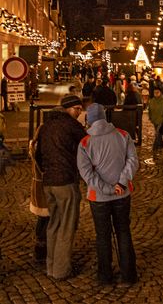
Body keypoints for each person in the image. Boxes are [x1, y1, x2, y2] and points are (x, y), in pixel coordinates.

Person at [77, 104, 138, 285]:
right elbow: (133, 161)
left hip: (99, 197)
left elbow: (87, 174)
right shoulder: (123, 135)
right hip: (122, 193)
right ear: (105, 116)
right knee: (123, 232)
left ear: (89, 120)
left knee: (102, 235)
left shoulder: (85, 143)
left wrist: (106, 188)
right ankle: (129, 274)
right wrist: (121, 182)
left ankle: (105, 275)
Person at [34, 94, 88, 279]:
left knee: (53, 225)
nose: (79, 112)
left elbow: (38, 154)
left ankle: (51, 266)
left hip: (48, 182)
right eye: (77, 109)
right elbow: (88, 145)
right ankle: (61, 270)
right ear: (67, 108)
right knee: (66, 226)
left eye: (81, 109)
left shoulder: (46, 125)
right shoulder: (71, 125)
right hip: (65, 182)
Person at [28, 133, 49, 263]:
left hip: (38, 187)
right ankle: (41, 250)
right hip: (43, 187)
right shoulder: (40, 151)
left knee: (42, 218)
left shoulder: (34, 146)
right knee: (46, 218)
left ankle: (40, 248)